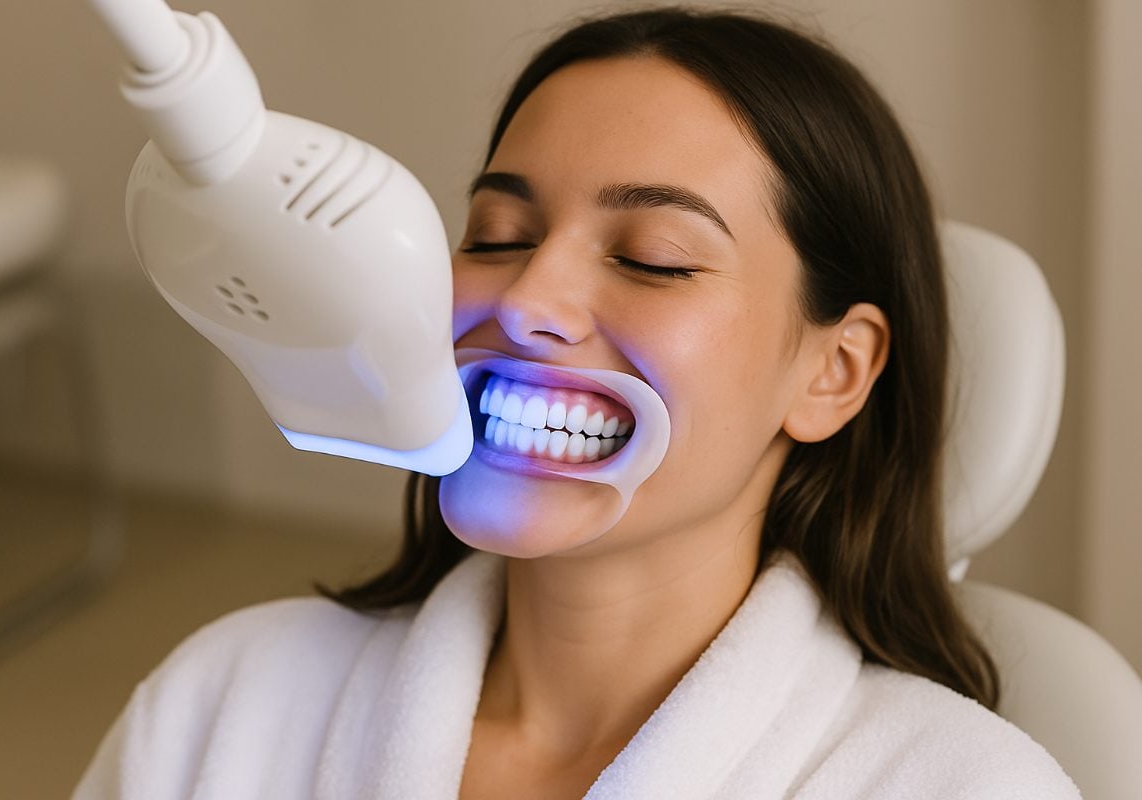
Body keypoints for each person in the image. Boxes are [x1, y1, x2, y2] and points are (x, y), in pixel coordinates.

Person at [75, 8, 1079, 799]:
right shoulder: (227, 703)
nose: (524, 303)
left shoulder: (964, 785)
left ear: (835, 372)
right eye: (499, 234)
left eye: (655, 259)